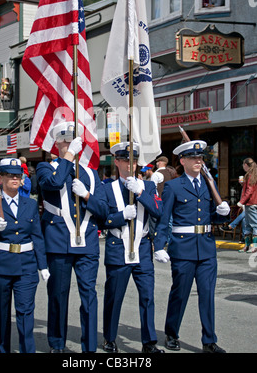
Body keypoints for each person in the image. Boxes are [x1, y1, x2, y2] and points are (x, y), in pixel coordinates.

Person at [36, 122, 107, 353]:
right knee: (58, 296)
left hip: (87, 243)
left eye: (71, 140)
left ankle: (89, 347)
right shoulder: (46, 167)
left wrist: (86, 195)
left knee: (89, 297)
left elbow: (104, 211)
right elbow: (54, 183)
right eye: (64, 140)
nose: (68, 144)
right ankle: (57, 344)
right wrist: (68, 157)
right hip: (58, 241)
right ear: (56, 143)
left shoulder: (91, 173)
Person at [154, 140, 230, 353]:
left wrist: (222, 213)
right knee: (180, 294)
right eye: (193, 158)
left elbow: (210, 217)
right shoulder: (173, 186)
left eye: (200, 158)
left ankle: (209, 340)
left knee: (207, 295)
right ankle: (171, 333)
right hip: (183, 249)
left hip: (206, 249)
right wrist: (159, 245)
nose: (198, 161)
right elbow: (164, 218)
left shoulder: (208, 183)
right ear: (182, 161)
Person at [0, 157, 49, 353]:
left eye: (18, 176)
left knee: (26, 314)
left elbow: (37, 237)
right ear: (0, 178)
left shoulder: (30, 204)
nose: (15, 179)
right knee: (0, 315)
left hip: (26, 266)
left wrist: (43, 265)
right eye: (10, 176)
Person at [102, 141, 164, 354]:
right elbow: (102, 219)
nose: (131, 164)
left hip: (143, 248)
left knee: (147, 297)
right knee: (114, 296)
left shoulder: (147, 186)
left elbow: (158, 211)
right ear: (117, 162)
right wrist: (120, 217)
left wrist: (141, 193)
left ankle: (149, 342)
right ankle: (109, 338)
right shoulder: (107, 188)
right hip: (118, 246)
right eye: (126, 160)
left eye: (134, 161)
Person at [237, 158, 257, 253]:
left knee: (253, 225)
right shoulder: (254, 174)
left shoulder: (250, 175)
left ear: (246, 165)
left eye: (243, 164)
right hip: (252, 202)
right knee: (248, 225)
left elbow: (249, 190)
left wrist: (242, 201)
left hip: (251, 203)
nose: (242, 166)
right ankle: (247, 246)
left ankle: (254, 246)